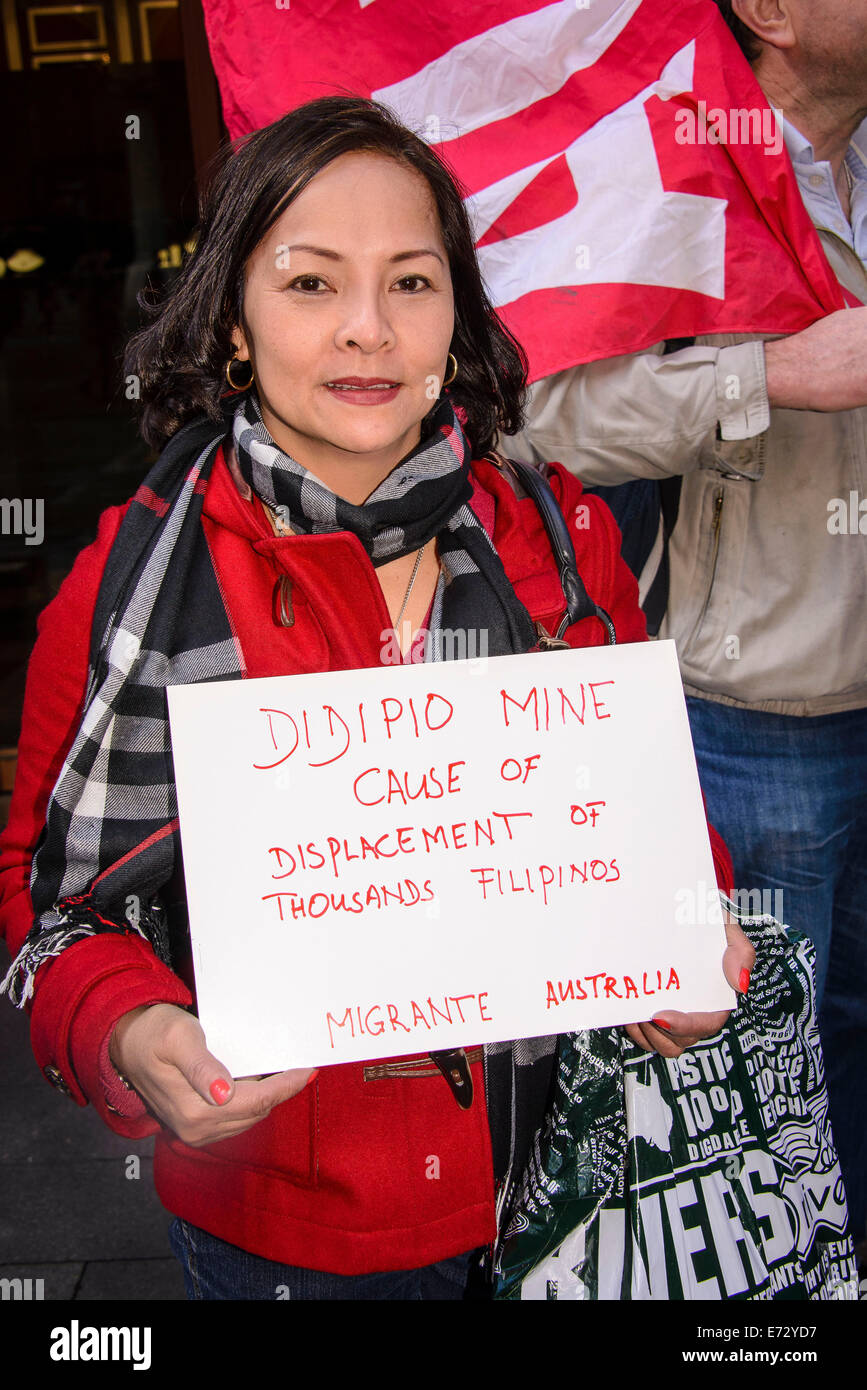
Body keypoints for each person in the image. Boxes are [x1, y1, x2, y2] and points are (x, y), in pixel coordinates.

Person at [0, 95, 750, 1300]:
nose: (368, 329)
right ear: (234, 323)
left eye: (411, 282)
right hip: (281, 1235)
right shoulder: (125, 583)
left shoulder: (558, 537)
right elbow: (41, 893)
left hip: (559, 1179)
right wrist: (130, 1033)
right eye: (309, 284)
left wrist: (689, 924)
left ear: (456, 316)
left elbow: (645, 801)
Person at [505, 0, 867, 1256]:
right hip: (753, 716)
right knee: (744, 1097)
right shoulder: (653, 171)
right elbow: (528, 420)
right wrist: (768, 375)